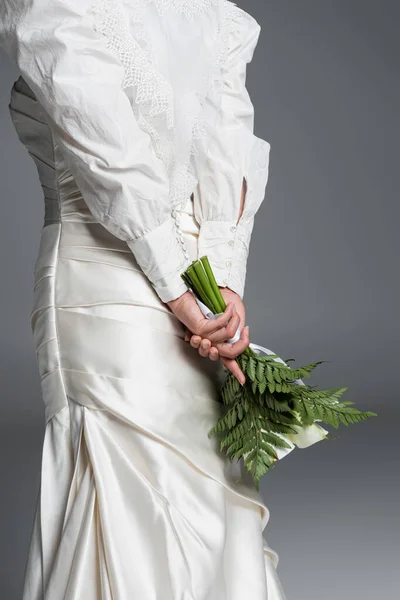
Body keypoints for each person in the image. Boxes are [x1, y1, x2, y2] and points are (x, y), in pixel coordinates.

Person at [0, 0, 287, 598]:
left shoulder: (212, 15)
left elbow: (215, 147)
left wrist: (220, 286)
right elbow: (111, 153)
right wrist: (205, 286)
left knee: (202, 475)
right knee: (134, 474)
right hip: (110, 284)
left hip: (165, 277)